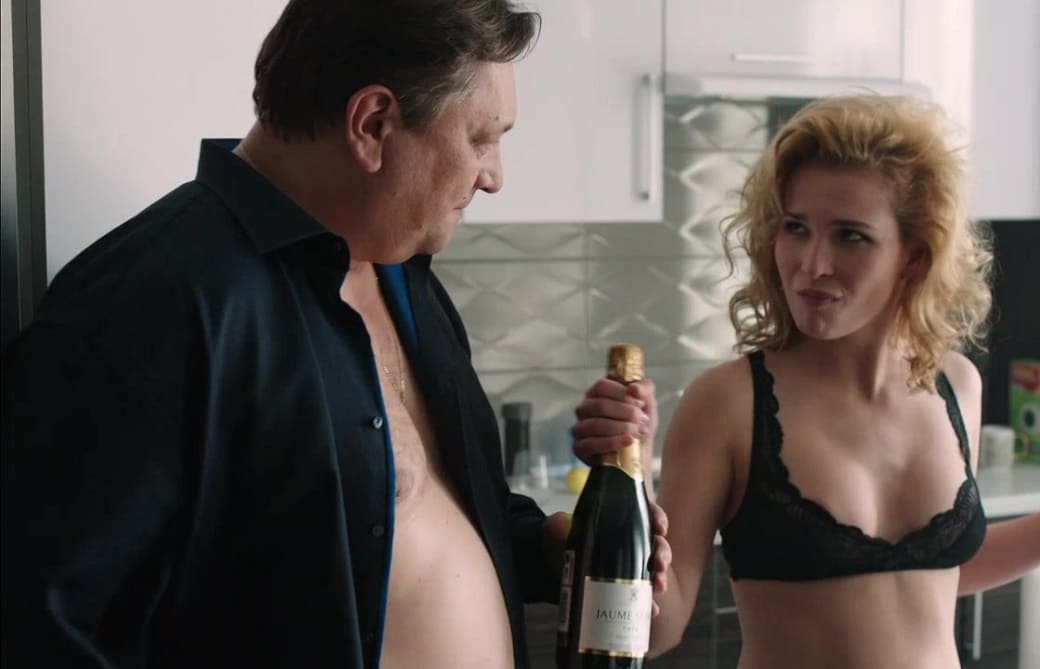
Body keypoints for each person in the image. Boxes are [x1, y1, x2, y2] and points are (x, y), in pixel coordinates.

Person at [0, 2, 671, 667]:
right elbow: (42, 626)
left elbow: (427, 529)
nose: (494, 177)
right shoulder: (154, 303)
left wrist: (551, 545)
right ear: (373, 123)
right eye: (480, 139)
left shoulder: (405, 280)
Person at [572, 94, 1040, 668]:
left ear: (914, 257)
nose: (812, 264)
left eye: (850, 236)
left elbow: (935, 576)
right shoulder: (729, 403)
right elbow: (654, 631)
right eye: (796, 228)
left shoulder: (956, 385)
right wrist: (635, 476)